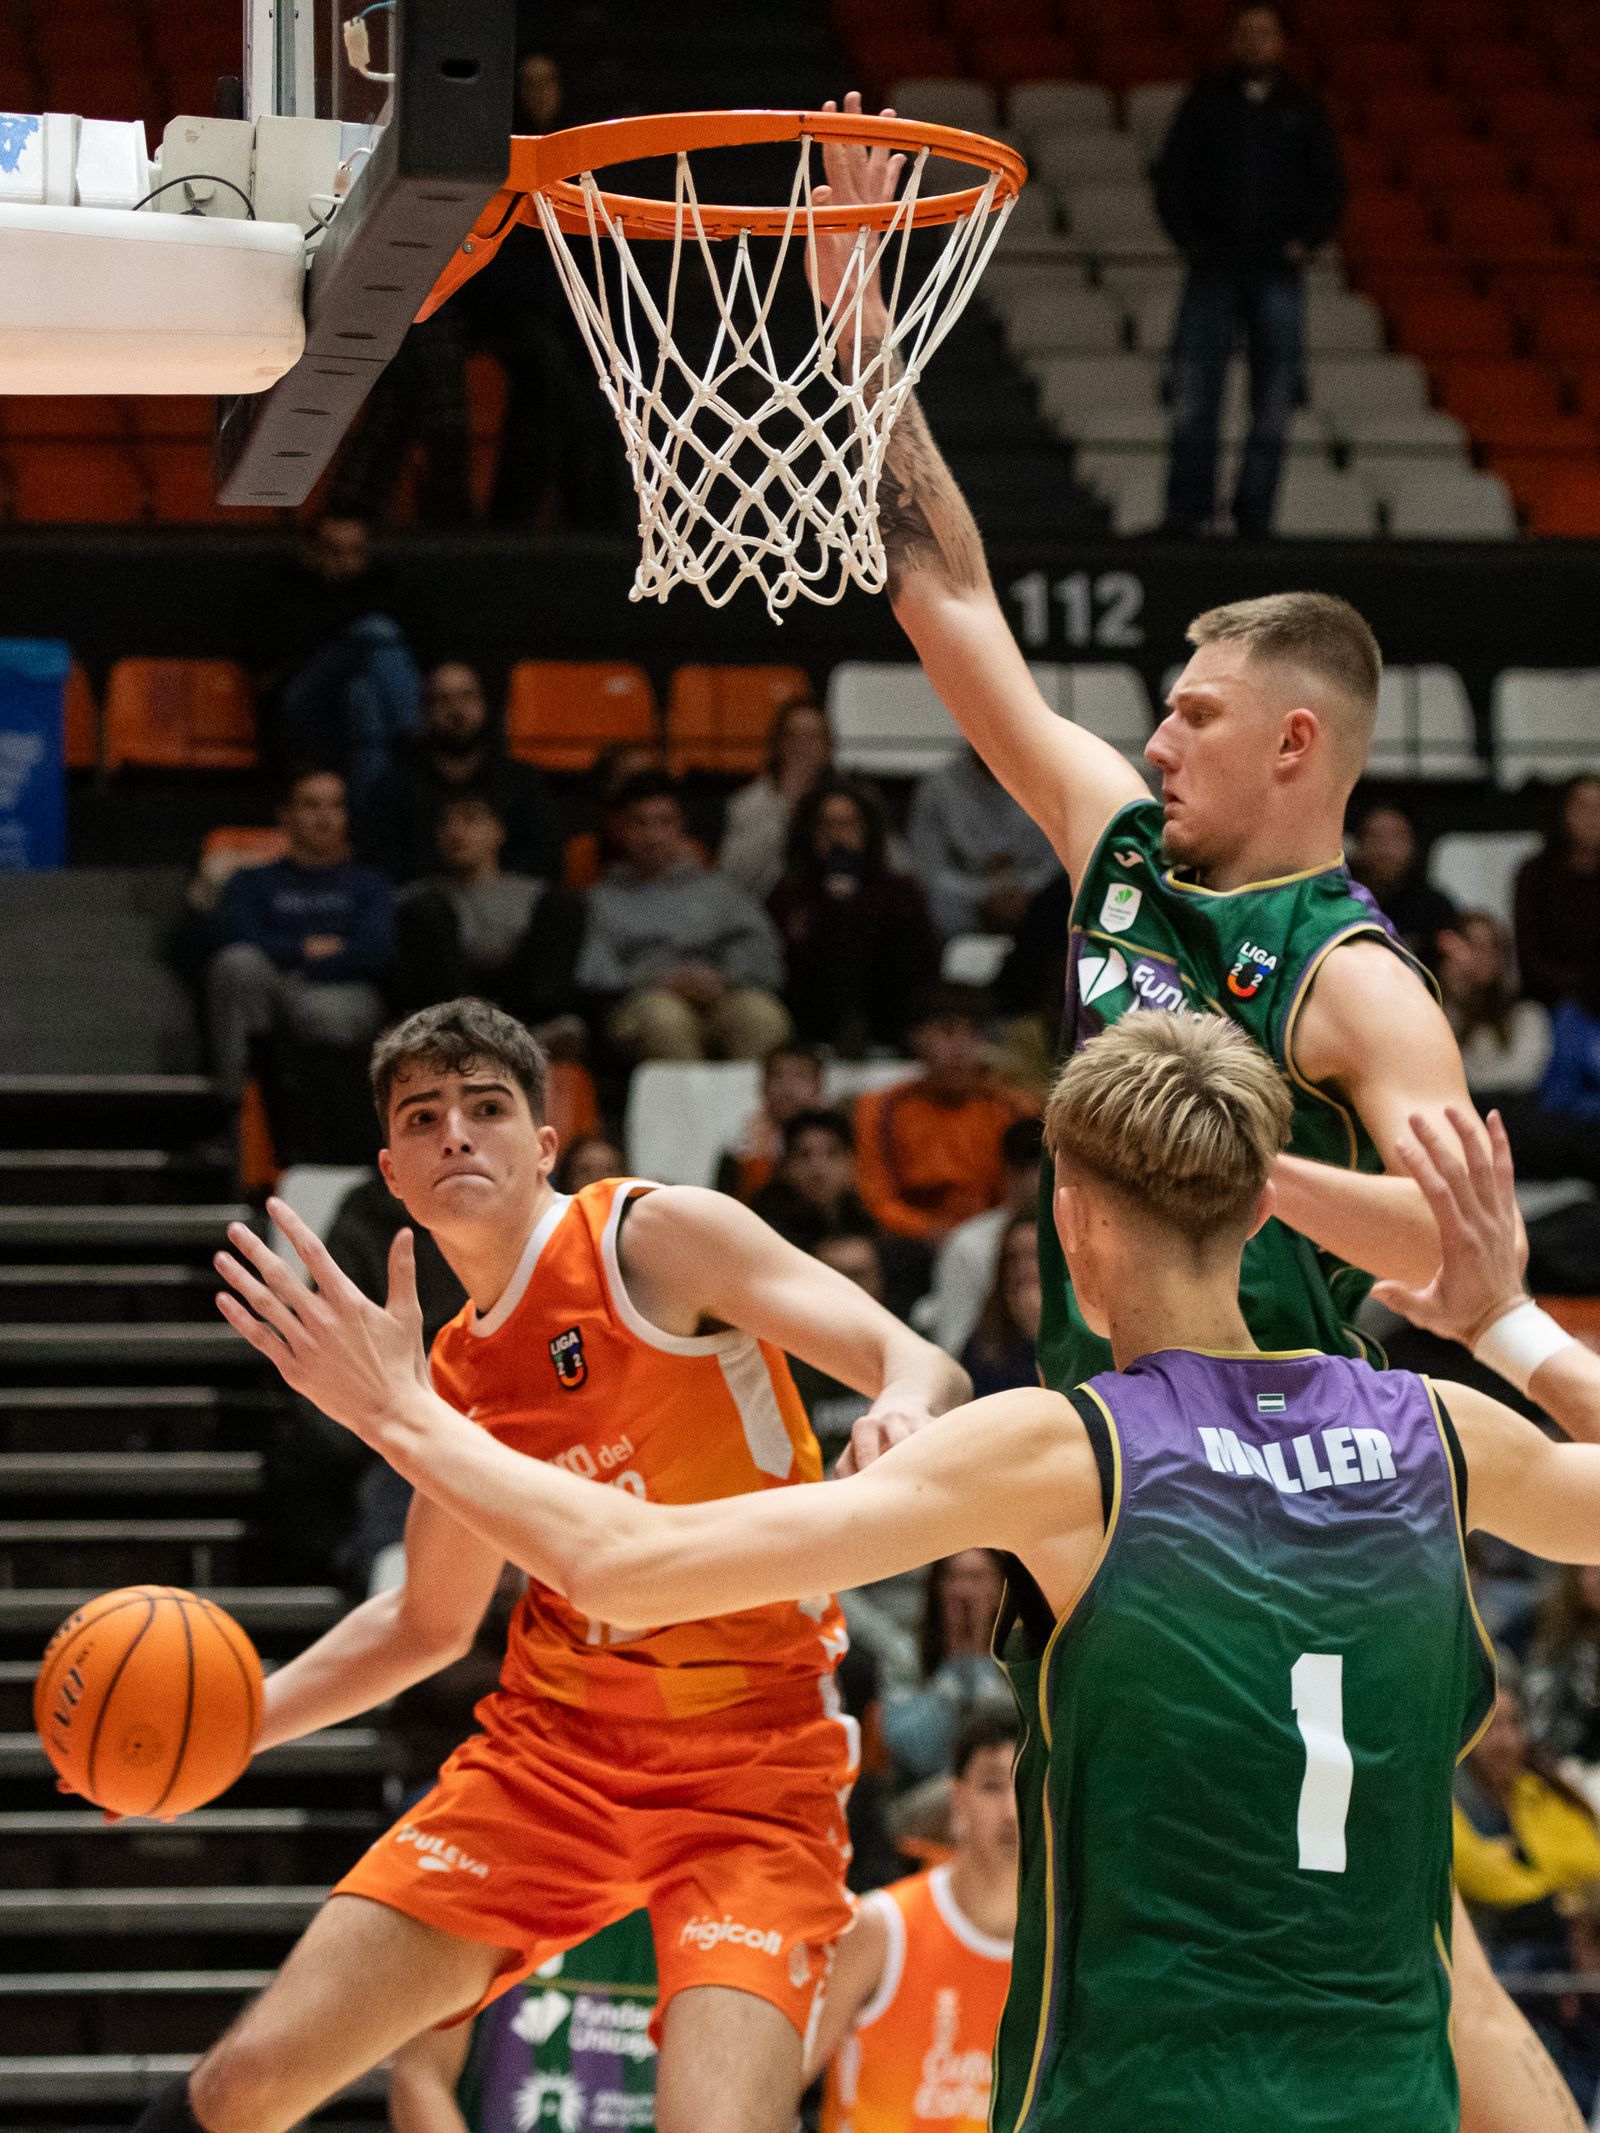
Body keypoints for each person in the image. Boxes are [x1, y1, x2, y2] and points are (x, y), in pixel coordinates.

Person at [223, 1008, 1600, 2133]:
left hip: (1148, 2088)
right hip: (1394, 2082)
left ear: (1068, 1218)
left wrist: (395, 1409)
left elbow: (629, 1571)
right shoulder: (1438, 1430)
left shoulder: (1068, 1451)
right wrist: (1510, 1324)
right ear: (1255, 1208)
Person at [811, 109, 1572, 2124]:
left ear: (1296, 742)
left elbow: (1446, 1253)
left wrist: (1230, 1156)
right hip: (1113, 1446)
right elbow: (947, 602)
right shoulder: (1117, 849)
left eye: (1193, 713)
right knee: (1354, 1948)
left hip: (1302, 1489)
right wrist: (853, 315)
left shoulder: (1355, 979)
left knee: (1277, 1952)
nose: (1149, 734)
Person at [169, 995, 969, 2133]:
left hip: (750, 1770)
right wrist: (233, 1725)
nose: (455, 1132)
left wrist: (897, 1408)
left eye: (486, 1108)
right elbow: (424, 1627)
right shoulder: (448, 1379)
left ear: (542, 1146)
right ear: (390, 1173)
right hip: (554, 1763)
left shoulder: (653, 1239)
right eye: (423, 1116)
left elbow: (919, 1357)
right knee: (243, 2085)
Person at [1153, 2, 1345, 539]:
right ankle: (1188, 516)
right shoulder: (1205, 104)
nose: (1256, 42)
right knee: (1196, 394)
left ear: (1281, 42)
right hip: (1213, 267)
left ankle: (1254, 521)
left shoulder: (1304, 109)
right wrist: (1193, 242)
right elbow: (1172, 178)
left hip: (1277, 275)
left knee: (1274, 399)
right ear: (1233, 41)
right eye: (1247, 33)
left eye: (1266, 33)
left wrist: (1306, 241)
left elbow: (1329, 187)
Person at [813, 1706, 1017, 2133]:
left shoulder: (1070, 1948)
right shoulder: (881, 1928)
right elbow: (776, 2079)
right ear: (957, 1798)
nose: (1013, 1810)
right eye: (994, 1786)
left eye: (1031, 1786)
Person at [206, 768, 395, 1160]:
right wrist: (313, 949)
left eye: (335, 806)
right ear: (286, 815)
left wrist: (295, 960)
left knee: (328, 1011)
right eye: (311, 805)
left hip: (337, 992)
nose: (324, 817)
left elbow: (377, 951)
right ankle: (231, 1118)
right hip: (267, 989)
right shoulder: (250, 882)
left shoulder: (370, 884)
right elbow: (236, 938)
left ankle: (327, 1148)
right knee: (236, 965)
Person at [576, 771, 792, 1064]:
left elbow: (764, 955)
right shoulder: (601, 900)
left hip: (720, 995)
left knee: (761, 1017)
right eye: (641, 823)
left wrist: (724, 978)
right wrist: (661, 980)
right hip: (642, 1003)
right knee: (666, 1020)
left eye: (664, 822)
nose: (653, 836)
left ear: (680, 827)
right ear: (622, 829)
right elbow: (595, 974)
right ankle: (688, 1110)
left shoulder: (720, 890)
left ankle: (752, 1111)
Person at [241, 514, 424, 806]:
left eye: (355, 551)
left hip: (361, 704)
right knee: (377, 630)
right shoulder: (282, 591)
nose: (346, 561)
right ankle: (413, 734)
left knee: (361, 694)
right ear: (310, 551)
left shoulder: (386, 587)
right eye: (334, 551)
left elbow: (421, 652)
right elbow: (268, 663)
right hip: (303, 702)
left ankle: (367, 810)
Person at [768, 775, 942, 1054]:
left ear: (867, 830)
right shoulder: (788, 895)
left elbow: (921, 964)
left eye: (848, 824)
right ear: (810, 832)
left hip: (887, 1016)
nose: (838, 835)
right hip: (808, 1019)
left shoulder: (900, 892)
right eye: (827, 825)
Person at [359, 662, 563, 886]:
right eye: (444, 699)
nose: (457, 710)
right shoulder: (394, 786)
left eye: (467, 697)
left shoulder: (522, 781)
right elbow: (379, 862)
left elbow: (544, 855)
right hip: (422, 907)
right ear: (424, 712)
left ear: (484, 705)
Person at [853, 988, 1030, 1245]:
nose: (960, 1047)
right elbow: (876, 1199)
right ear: (917, 1037)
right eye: (947, 1031)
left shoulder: (1014, 1107)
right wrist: (928, 1231)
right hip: (911, 1243)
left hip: (996, 1240)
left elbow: (1026, 1189)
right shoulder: (879, 1107)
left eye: (973, 1033)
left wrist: (982, 1235)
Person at [393, 792, 585, 1027]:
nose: (455, 832)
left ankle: (535, 1030)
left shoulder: (537, 895)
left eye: (471, 819)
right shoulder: (416, 899)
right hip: (449, 1012)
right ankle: (470, 1030)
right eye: (444, 823)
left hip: (526, 1004)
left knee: (564, 906)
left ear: (499, 831)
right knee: (425, 911)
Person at [1455, 1680, 1600, 1974]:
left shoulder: (1539, 1791)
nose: (1505, 1741)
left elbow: (1590, 1863)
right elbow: (1489, 1882)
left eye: (1514, 1724)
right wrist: (1568, 1898)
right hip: (1493, 1954)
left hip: (1560, 1940)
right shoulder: (1451, 1802)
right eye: (1490, 1728)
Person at [880, 1551, 1011, 1789]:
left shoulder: (1021, 1650)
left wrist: (980, 1662)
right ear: (936, 1587)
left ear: (999, 1588)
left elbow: (1017, 1731)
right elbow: (918, 1754)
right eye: (953, 1577)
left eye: (977, 1577)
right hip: (927, 1790)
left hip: (1004, 1782)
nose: (965, 1591)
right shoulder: (907, 1652)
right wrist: (956, 1662)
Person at [906, 746, 1058, 942]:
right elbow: (929, 870)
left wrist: (1024, 892)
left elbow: (1059, 863)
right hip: (963, 909)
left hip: (1034, 903)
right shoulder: (937, 788)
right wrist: (984, 896)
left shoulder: (1048, 785)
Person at [925, 1116, 1045, 1359]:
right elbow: (953, 1347)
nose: (1034, 1181)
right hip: (994, 1369)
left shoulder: (1087, 1235)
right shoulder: (966, 1244)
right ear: (1006, 1173)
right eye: (1023, 1169)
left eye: (1041, 1168)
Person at [720, 696, 835, 903]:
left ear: (828, 747)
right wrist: (785, 809)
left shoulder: (847, 800)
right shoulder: (748, 802)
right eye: (794, 736)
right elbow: (732, 875)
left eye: (813, 737)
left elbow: (894, 861)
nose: (803, 746)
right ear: (779, 743)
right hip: (764, 907)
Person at [1438, 911, 1552, 1099]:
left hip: (1513, 1114)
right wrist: (1452, 994)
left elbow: (1524, 1076)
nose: (1485, 955)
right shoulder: (1441, 1016)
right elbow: (1437, 1074)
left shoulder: (1529, 1016)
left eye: (1492, 946)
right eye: (1473, 945)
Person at [1514, 774, 1600, 1015]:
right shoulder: (1535, 875)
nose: (1591, 817)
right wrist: (1580, 987)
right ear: (1564, 812)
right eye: (1582, 806)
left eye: (1598, 807)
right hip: (1550, 1002)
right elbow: (1530, 958)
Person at [1348, 802, 1460, 975]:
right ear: (1358, 846)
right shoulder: (1338, 900)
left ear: (1413, 846)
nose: (1386, 851)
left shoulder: (1435, 908)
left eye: (1396, 838)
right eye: (1377, 838)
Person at [714, 1045, 825, 1203]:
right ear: (763, 1086)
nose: (787, 1088)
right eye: (777, 1076)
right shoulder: (739, 1143)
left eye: (800, 1076)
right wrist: (758, 1157)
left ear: (819, 1086)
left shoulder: (837, 1138)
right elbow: (725, 1205)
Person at [958, 1214, 1041, 1400]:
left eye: (1034, 1255)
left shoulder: (1085, 1328)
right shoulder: (985, 1338)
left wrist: (1038, 1335)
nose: (1023, 1268)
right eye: (1013, 1258)